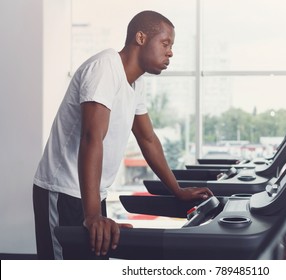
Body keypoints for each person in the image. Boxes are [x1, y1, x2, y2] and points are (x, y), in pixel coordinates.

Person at [33, 10, 213, 260]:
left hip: (92, 193)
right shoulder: (105, 68)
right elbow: (91, 137)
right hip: (62, 190)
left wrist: (177, 190)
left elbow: (148, 139)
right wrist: (93, 215)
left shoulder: (135, 82)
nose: (170, 52)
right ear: (140, 38)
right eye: (165, 43)